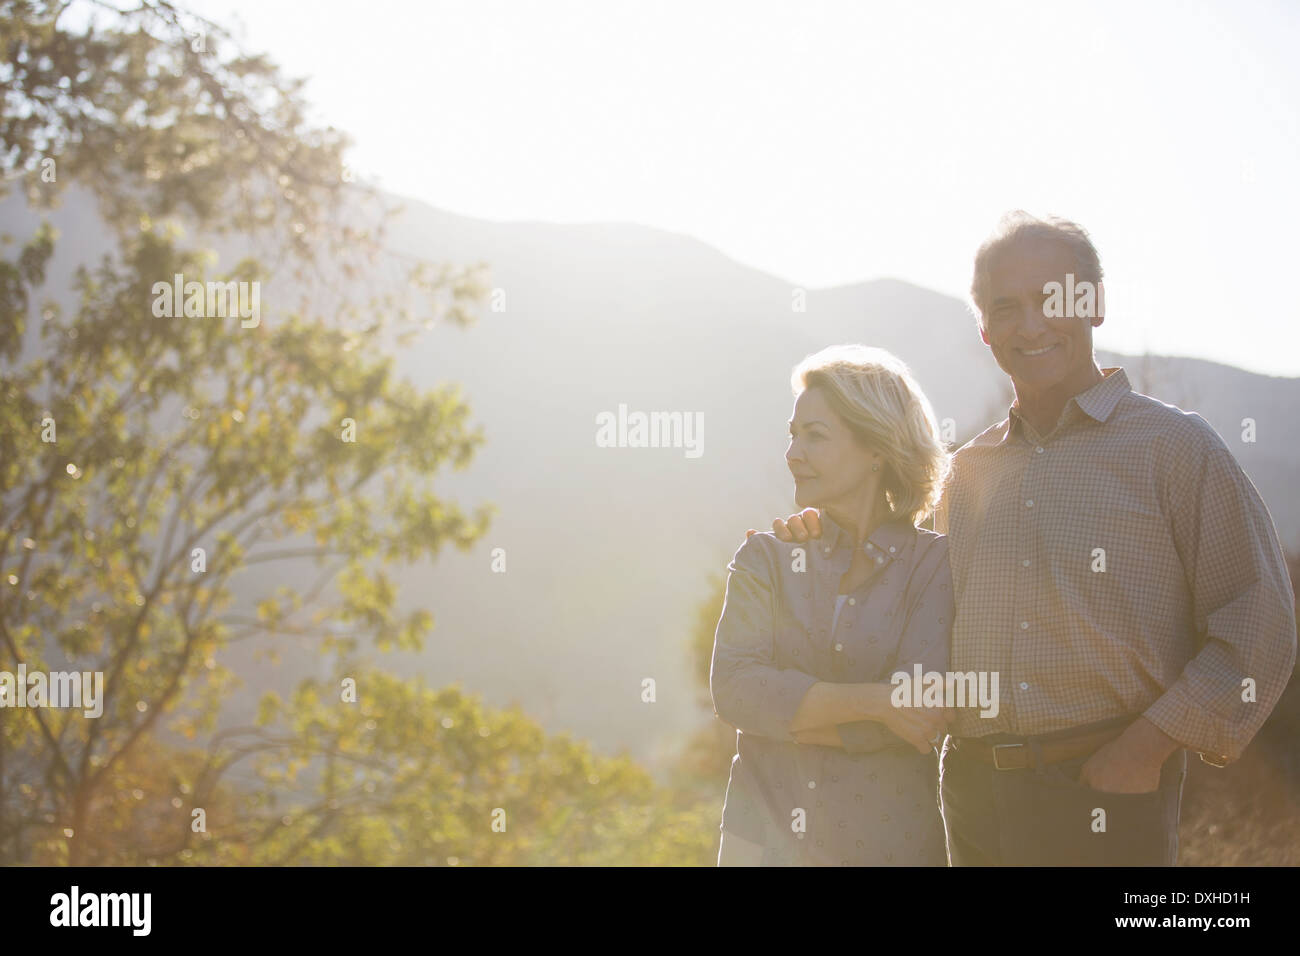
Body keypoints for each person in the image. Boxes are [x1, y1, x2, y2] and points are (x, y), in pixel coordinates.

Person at [764, 212, 1298, 865]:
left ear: (1094, 304)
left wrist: (1142, 751)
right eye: (1006, 307)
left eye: (1053, 298)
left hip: (1105, 792)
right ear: (985, 328)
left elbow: (1260, 623)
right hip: (971, 796)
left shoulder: (1174, 449)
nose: (1031, 324)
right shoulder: (966, 473)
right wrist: (828, 559)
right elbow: (922, 631)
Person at [711, 344, 953, 866]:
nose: (792, 453)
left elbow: (920, 716)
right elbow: (734, 692)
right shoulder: (765, 559)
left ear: (877, 450)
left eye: (814, 436)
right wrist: (875, 703)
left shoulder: (934, 566)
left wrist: (783, 712)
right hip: (760, 849)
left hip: (888, 848)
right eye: (792, 435)